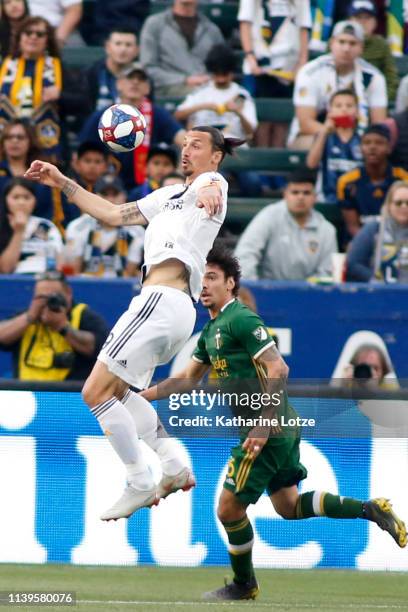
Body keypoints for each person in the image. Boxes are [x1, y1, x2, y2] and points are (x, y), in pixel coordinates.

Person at [140, 246, 407, 601]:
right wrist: (141, 396)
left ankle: (243, 585)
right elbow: (187, 381)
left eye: (212, 277)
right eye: (199, 278)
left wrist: (264, 424)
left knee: (228, 508)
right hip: (277, 426)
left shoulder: (241, 319)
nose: (203, 285)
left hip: (268, 427)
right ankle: (369, 509)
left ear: (231, 283)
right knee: (288, 506)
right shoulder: (212, 331)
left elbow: (278, 368)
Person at [25, 126, 244, 521]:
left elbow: (214, 185)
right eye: (184, 145)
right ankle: (173, 464)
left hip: (161, 301)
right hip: (171, 308)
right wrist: (61, 181)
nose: (186, 151)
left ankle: (139, 481)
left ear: (215, 155)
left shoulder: (211, 183)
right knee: (122, 395)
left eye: (196, 145)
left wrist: (212, 186)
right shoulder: (167, 196)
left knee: (94, 392)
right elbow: (112, 214)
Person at [79, 65, 185, 192]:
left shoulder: (158, 115)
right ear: (119, 84)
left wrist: (178, 173)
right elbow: (80, 155)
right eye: (130, 78)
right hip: (108, 189)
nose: (135, 82)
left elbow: (185, 140)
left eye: (141, 79)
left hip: (146, 190)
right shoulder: (103, 116)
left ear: (147, 88)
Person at [175, 44, 261, 197]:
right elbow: (178, 114)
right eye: (217, 73)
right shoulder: (201, 93)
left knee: (253, 182)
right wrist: (205, 106)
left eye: (225, 73)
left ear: (232, 72)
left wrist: (236, 111)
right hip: (203, 152)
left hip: (235, 150)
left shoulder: (241, 95)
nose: (221, 77)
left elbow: (251, 131)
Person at [289, 20, 387, 149]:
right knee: (319, 144)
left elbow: (378, 124)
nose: (346, 49)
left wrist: (353, 139)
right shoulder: (310, 72)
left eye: (353, 43)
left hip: (359, 137)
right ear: (331, 43)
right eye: (341, 42)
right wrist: (341, 138)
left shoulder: (374, 77)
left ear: (361, 48)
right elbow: (306, 123)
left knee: (376, 147)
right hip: (316, 134)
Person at [0, 270, 109, 380]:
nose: (47, 302)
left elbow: (100, 349)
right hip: (26, 392)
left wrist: (63, 328)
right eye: (41, 297)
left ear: (68, 293)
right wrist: (29, 318)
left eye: (54, 297)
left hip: (67, 393)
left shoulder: (83, 316)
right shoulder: (26, 317)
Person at [234, 169, 338, 280]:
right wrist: (253, 289)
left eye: (306, 193)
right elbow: (245, 253)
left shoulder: (327, 230)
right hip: (269, 291)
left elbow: (326, 272)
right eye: (295, 192)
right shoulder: (269, 216)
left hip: (309, 294)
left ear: (315, 197)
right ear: (285, 194)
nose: (300, 197)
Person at [238, 0, 311, 147]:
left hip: (287, 65)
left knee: (281, 119)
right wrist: (250, 56)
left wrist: (301, 65)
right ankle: (262, 159)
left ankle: (278, 159)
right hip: (259, 64)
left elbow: (304, 28)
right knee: (262, 119)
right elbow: (245, 24)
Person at [0, 16, 62, 157]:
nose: (33, 37)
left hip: (44, 141)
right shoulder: (4, 65)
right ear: (20, 37)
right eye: (28, 33)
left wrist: (60, 95)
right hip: (6, 141)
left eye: (40, 34)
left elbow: (82, 102)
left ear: (47, 40)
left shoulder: (58, 67)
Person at [64, 174, 145, 277]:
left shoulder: (136, 230)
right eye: (104, 194)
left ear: (124, 197)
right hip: (85, 285)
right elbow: (74, 271)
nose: (110, 200)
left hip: (122, 286)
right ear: (94, 197)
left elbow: (129, 273)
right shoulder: (78, 227)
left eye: (115, 194)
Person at [139, 0, 224, 98]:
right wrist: (185, 79)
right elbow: (148, 68)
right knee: (201, 95)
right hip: (167, 88)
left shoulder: (212, 29)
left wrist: (208, 79)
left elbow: (221, 66)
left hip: (207, 87)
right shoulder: (154, 24)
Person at [337, 124, 408, 241]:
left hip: (398, 241)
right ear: (360, 147)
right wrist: (370, 245)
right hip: (360, 242)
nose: (372, 147)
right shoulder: (346, 182)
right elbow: (352, 226)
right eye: (367, 143)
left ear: (389, 147)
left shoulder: (404, 179)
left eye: (379, 143)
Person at [306, 89, 363, 205]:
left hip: (357, 197)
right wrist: (323, 132)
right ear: (330, 111)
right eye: (338, 105)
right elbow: (311, 163)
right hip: (327, 196)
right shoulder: (324, 136)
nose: (344, 109)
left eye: (349, 105)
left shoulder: (363, 137)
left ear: (357, 111)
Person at [346, 180, 408, 282]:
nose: (404, 207)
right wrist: (374, 279)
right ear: (388, 206)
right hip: (378, 292)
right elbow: (353, 263)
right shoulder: (374, 228)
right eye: (398, 203)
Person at [0, 177, 63, 274]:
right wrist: (19, 231)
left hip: (45, 280)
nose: (21, 202)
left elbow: (61, 263)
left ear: (35, 201)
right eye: (16, 197)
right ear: (5, 200)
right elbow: (5, 269)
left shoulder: (46, 226)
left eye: (27, 197)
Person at [349, 0, 398, 102]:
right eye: (358, 18)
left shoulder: (381, 44)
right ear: (349, 20)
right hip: (342, 101)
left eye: (367, 18)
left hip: (374, 99)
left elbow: (392, 81)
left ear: (375, 22)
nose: (363, 22)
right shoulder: (339, 41)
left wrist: (379, 100)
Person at [84, 28, 139, 112]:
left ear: (137, 50)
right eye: (118, 44)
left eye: (128, 45)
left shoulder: (142, 79)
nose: (123, 49)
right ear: (107, 47)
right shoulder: (90, 73)